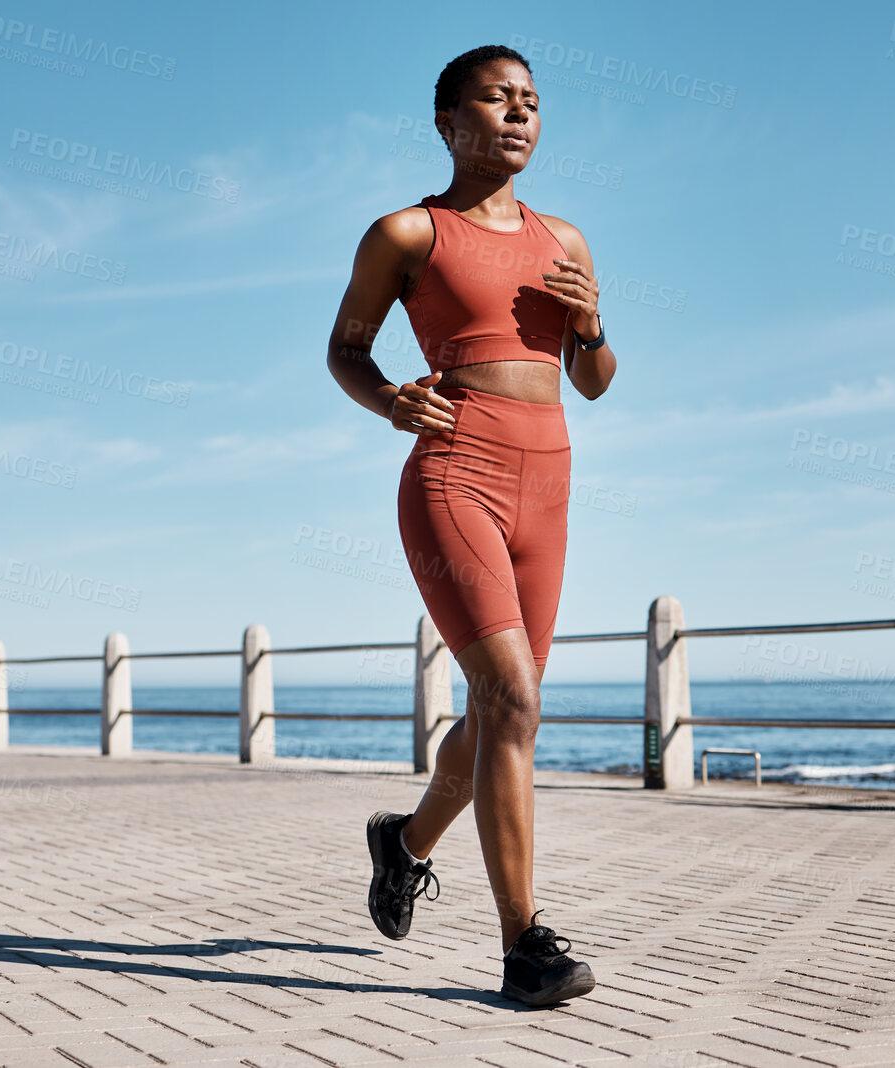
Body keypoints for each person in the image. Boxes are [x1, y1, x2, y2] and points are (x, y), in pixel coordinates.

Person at [325, 44, 617, 1007]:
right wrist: (389, 403)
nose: (520, 115)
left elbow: (597, 381)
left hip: (551, 481)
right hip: (457, 474)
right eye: (498, 100)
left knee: (505, 707)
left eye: (532, 102)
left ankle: (402, 843)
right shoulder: (408, 233)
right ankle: (524, 946)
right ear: (449, 121)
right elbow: (347, 349)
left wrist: (592, 328)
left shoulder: (566, 239)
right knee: (515, 699)